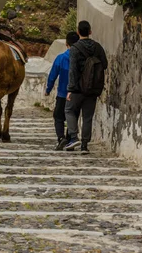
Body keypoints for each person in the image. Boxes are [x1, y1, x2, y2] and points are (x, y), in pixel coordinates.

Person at [64, 20, 108, 154]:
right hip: (92, 89)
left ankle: (73, 136)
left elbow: (72, 70)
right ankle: (84, 145)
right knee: (87, 117)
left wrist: (70, 89)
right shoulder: (97, 47)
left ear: (78, 32)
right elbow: (104, 64)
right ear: (90, 31)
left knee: (69, 110)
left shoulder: (75, 48)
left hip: (77, 88)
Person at [45, 32, 80, 151]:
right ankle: (70, 139)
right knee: (73, 117)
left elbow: (52, 75)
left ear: (66, 43)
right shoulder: (81, 58)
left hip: (62, 94)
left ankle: (61, 138)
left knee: (58, 117)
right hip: (77, 93)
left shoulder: (61, 58)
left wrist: (48, 89)